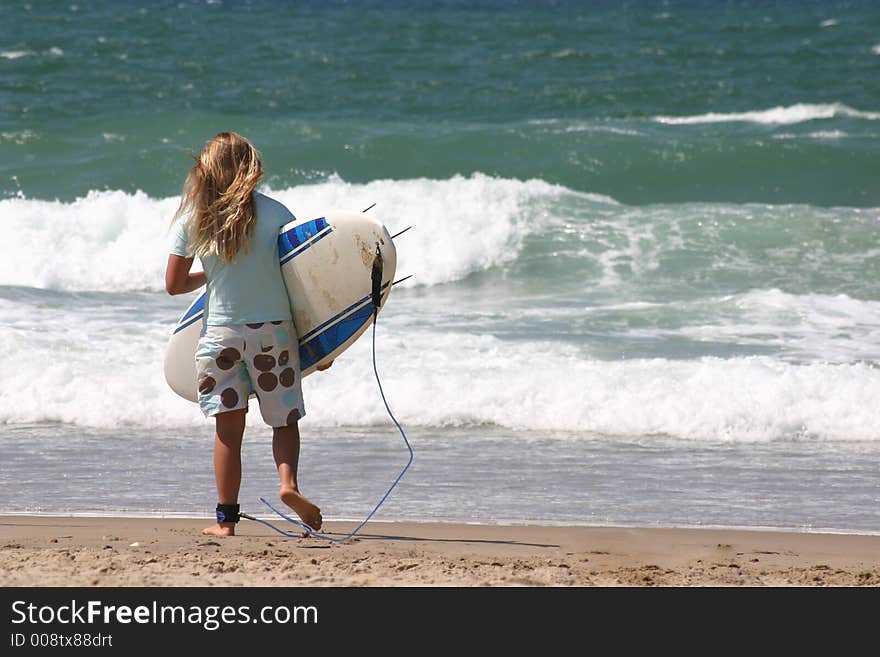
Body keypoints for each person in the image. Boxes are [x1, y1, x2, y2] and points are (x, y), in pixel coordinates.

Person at [165, 131, 329, 537]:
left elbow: (174, 284)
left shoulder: (192, 218)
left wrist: (216, 274)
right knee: (283, 419)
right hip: (272, 332)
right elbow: (300, 278)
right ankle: (288, 485)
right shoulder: (276, 212)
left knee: (228, 430)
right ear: (250, 166)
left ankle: (226, 522)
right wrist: (323, 345)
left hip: (220, 334)